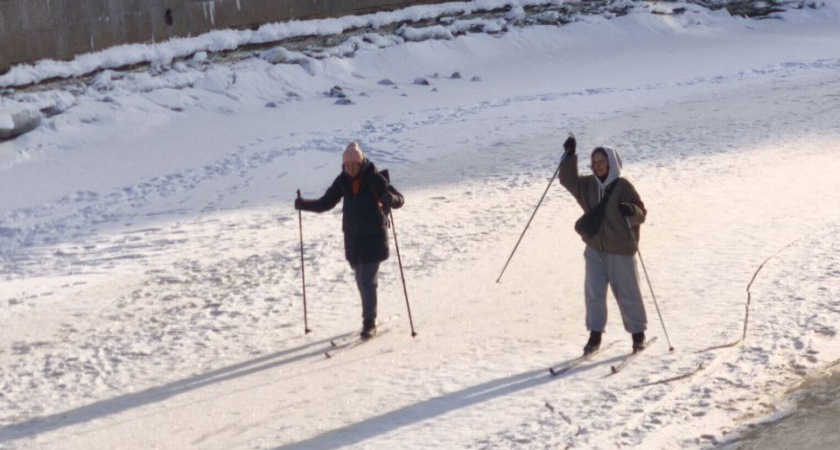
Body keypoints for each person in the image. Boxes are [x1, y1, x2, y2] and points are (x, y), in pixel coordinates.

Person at [294, 142, 404, 339]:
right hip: (353, 239)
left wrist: (390, 198)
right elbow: (325, 203)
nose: (351, 169)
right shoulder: (343, 181)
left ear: (361, 163)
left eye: (355, 164)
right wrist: (304, 205)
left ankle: (369, 322)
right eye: (347, 165)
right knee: (360, 279)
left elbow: (399, 199)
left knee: (366, 280)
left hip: (374, 237)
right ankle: (369, 314)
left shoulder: (375, 179)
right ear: (343, 166)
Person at [558, 134, 648, 355]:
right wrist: (569, 156)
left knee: (627, 293)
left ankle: (638, 335)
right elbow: (568, 180)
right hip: (595, 250)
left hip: (620, 250)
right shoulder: (588, 185)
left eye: (601, 162)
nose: (597, 166)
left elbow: (641, 213)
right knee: (594, 293)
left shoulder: (623, 186)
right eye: (594, 162)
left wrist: (630, 211)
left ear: (611, 162)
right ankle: (595, 335)